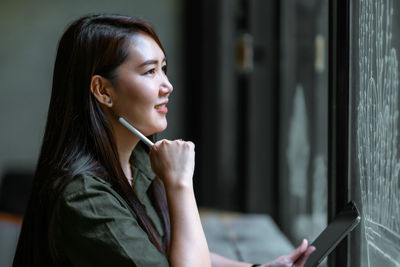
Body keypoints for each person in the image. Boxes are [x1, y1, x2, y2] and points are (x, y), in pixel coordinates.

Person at [13, 14, 315, 267]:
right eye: (150, 71)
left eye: (164, 69)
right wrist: (180, 184)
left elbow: (174, 253)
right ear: (103, 91)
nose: (167, 85)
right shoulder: (84, 199)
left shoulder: (139, 160)